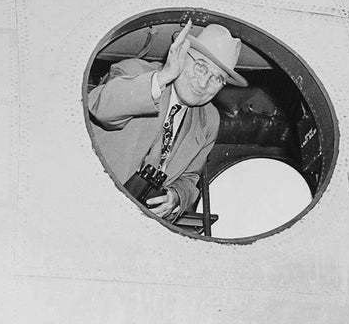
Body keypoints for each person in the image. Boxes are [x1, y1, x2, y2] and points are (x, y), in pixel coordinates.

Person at [87, 20, 247, 222]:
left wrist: (176, 197)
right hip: (89, 205)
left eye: (217, 78)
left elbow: (190, 178)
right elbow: (101, 108)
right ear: (181, 54)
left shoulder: (209, 120)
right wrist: (162, 78)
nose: (204, 83)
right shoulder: (133, 72)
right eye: (200, 67)